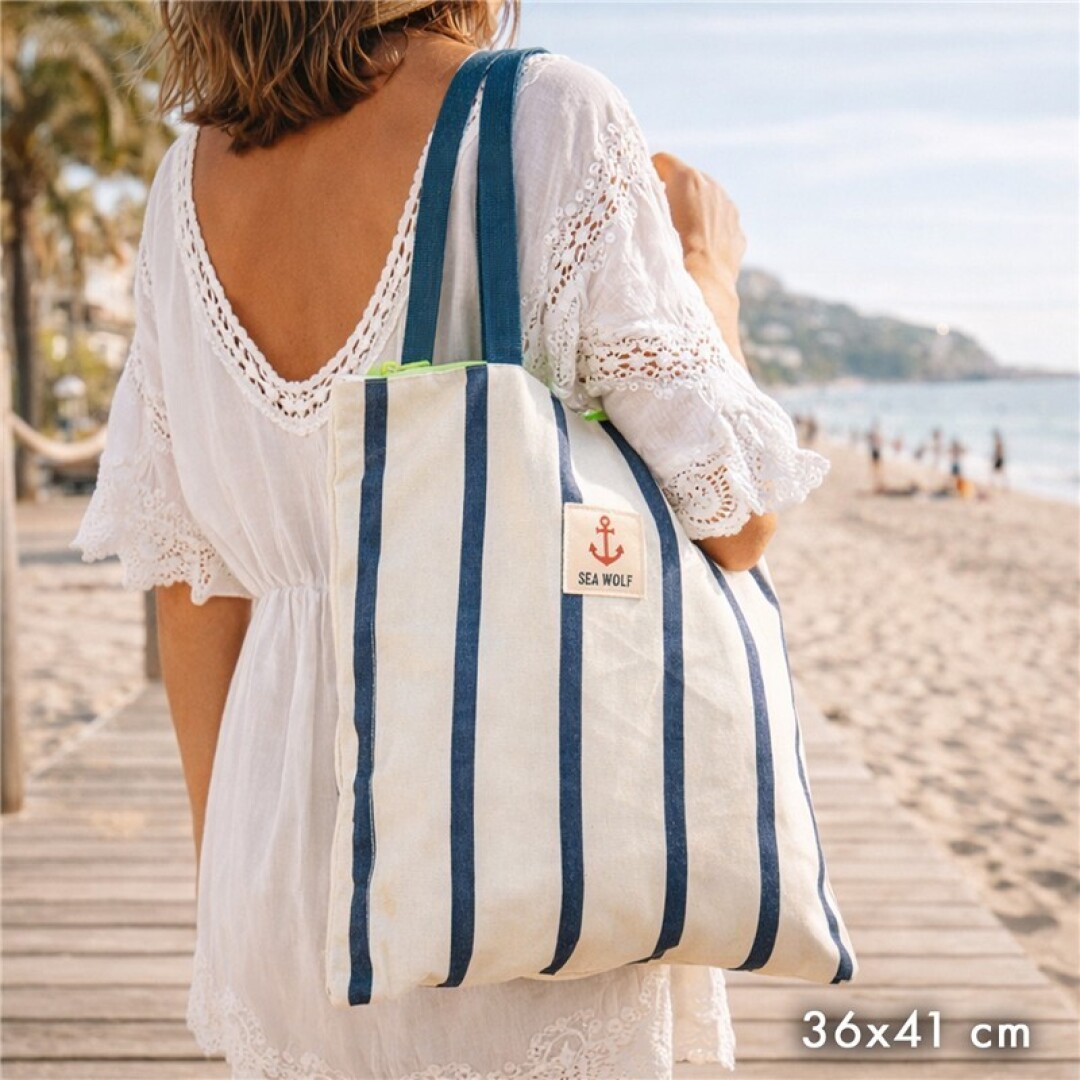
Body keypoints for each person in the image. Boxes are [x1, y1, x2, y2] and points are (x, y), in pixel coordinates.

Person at [70, 2, 831, 1076]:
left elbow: (196, 585)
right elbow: (739, 514)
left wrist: (230, 882)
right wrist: (707, 266)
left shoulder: (183, 185)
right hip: (512, 834)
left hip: (276, 856)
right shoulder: (542, 115)